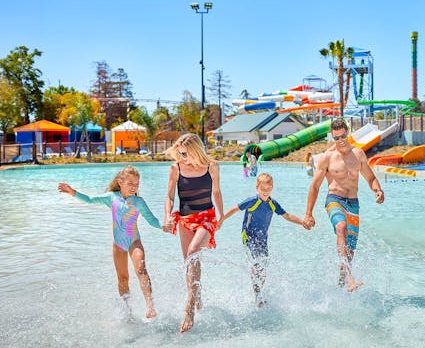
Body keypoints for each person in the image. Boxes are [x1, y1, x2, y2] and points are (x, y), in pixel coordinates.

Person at [57, 165, 161, 319]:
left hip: (134, 241)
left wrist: (165, 226)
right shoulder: (111, 197)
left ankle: (150, 306)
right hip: (118, 244)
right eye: (130, 183)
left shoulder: (138, 201)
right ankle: (127, 310)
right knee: (122, 278)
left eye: (136, 184)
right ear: (120, 182)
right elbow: (90, 200)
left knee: (141, 269)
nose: (134, 187)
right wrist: (72, 192)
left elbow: (152, 220)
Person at [304, 118, 384, 292]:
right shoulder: (327, 158)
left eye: (343, 136)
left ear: (348, 133)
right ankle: (349, 278)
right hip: (334, 199)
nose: (340, 140)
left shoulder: (359, 155)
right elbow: (315, 186)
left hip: (353, 204)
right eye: (336, 137)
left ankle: (341, 285)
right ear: (332, 137)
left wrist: (377, 190)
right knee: (341, 227)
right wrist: (309, 213)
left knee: (350, 251)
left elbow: (370, 178)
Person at [218, 173, 312, 307]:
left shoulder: (273, 204)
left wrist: (302, 222)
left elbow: (287, 216)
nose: (265, 191)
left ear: (272, 188)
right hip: (248, 237)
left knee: (264, 267)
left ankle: (259, 293)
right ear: (257, 187)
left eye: (268, 189)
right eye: (263, 189)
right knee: (256, 265)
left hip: (263, 239)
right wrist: (221, 220)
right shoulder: (252, 201)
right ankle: (257, 297)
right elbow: (234, 209)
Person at [162, 133, 223, 333]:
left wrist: (221, 216)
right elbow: (170, 196)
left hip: (206, 217)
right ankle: (197, 297)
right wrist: (167, 216)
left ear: (196, 150)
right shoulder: (176, 169)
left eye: (185, 153)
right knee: (190, 263)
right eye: (180, 153)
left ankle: (189, 307)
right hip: (185, 220)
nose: (182, 156)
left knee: (194, 250)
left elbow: (216, 192)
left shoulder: (212, 166)